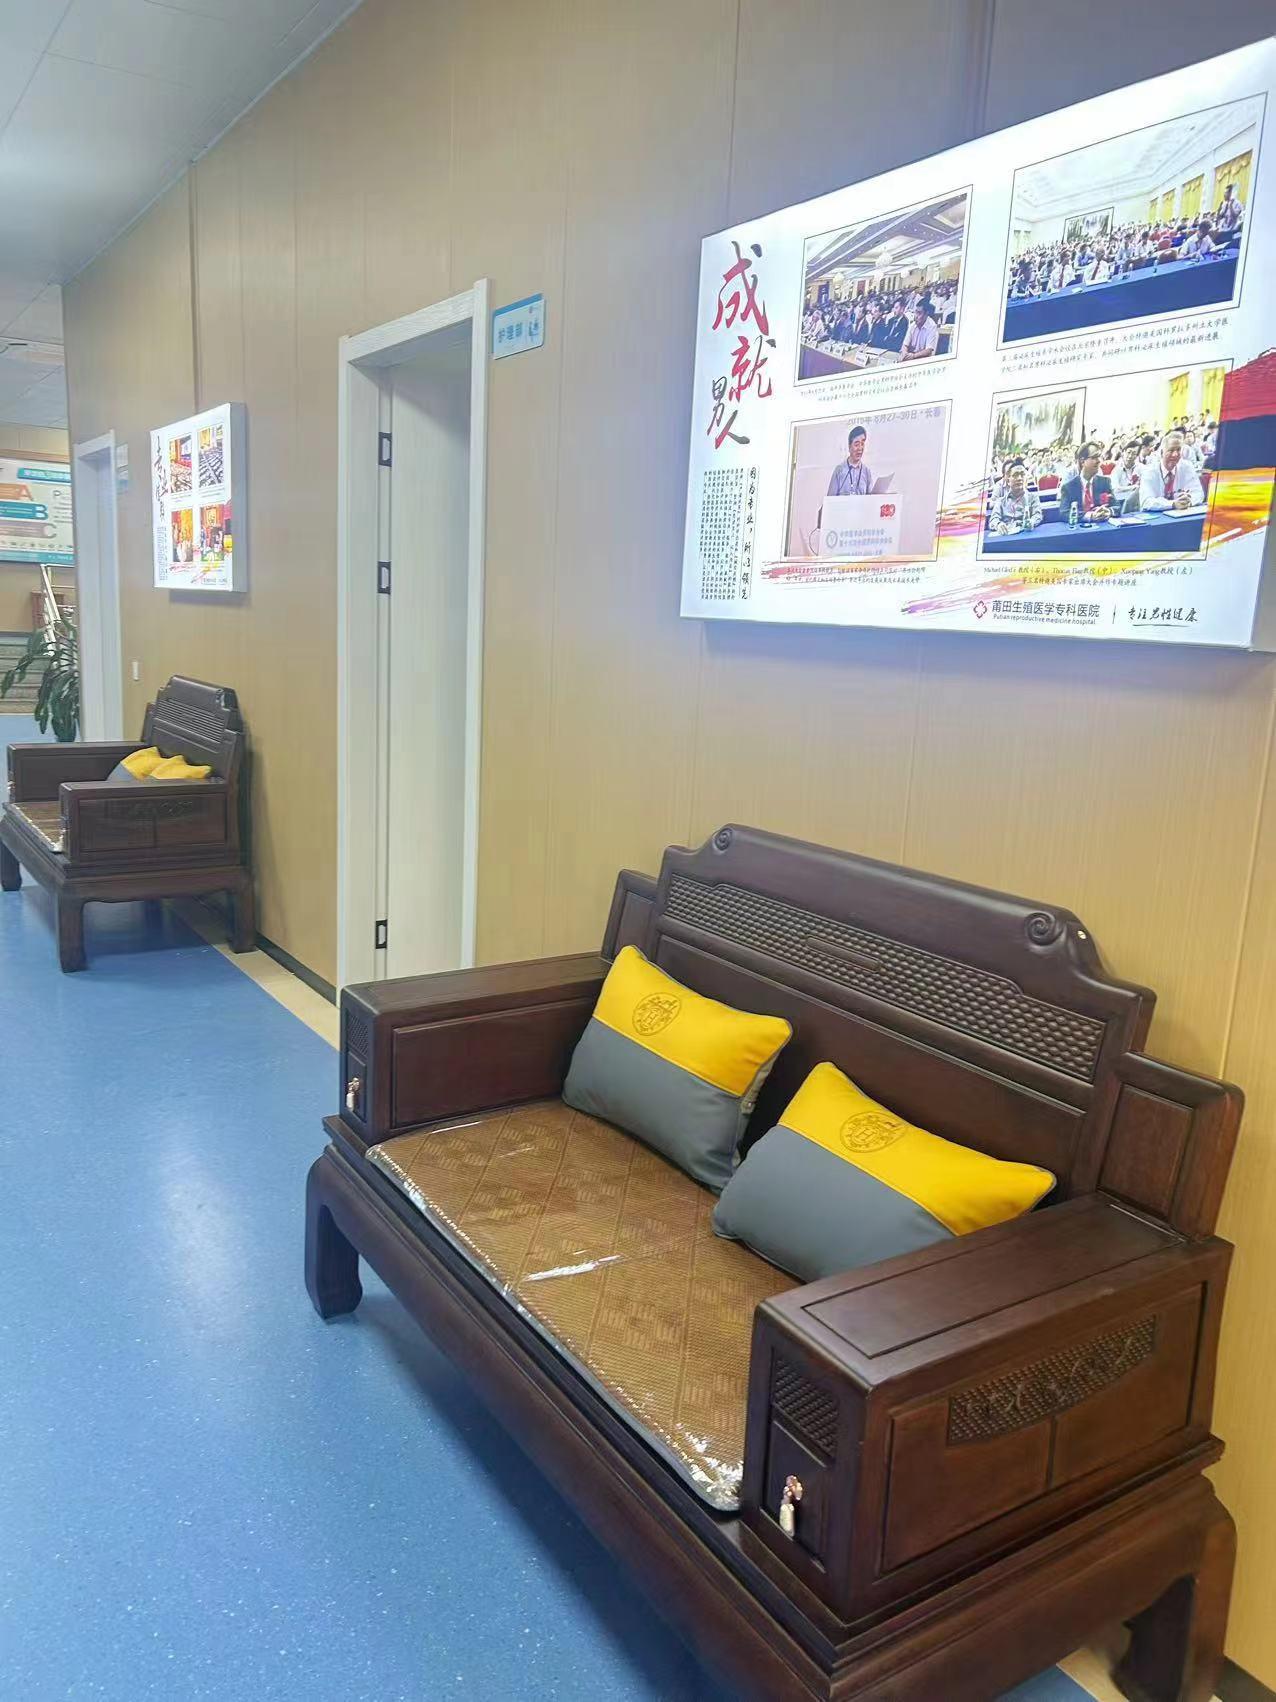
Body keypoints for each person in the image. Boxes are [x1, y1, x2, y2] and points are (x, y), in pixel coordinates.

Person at [1139, 431, 1205, 512]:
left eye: (1178, 450)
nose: (1175, 454)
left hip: (1183, 514)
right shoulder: (1149, 471)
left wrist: (1189, 500)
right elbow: (1146, 501)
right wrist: (1173, 504)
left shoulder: (1187, 466)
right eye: (1171, 450)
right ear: (1162, 453)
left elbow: (1199, 493)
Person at [1058, 442, 1115, 522]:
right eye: (1094, 457)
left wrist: (1109, 511)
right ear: (1082, 461)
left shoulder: (1105, 482)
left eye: (1099, 456)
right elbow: (1064, 513)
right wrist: (1090, 516)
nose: (1099, 461)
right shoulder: (1068, 487)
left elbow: (1117, 506)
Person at [988, 465, 1043, 535]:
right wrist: (998, 524)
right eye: (1015, 475)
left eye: (1022, 475)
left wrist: (1032, 521)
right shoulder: (1000, 501)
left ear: (1026, 479)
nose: (1019, 478)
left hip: (1026, 534)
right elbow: (993, 519)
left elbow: (1037, 515)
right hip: (1006, 536)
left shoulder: (1033, 498)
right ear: (1008, 481)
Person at [827, 425, 874, 496]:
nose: (860, 448)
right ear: (849, 447)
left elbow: (871, 499)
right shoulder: (839, 470)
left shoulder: (866, 471)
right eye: (856, 444)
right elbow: (830, 499)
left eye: (862, 444)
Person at [1110, 441, 1142, 512]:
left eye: (1134, 454)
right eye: (1128, 452)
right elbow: (1115, 489)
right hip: (1120, 501)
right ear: (1123, 452)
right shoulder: (1117, 469)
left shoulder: (1141, 468)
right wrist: (1133, 487)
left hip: (1136, 502)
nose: (1130, 456)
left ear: (1137, 456)